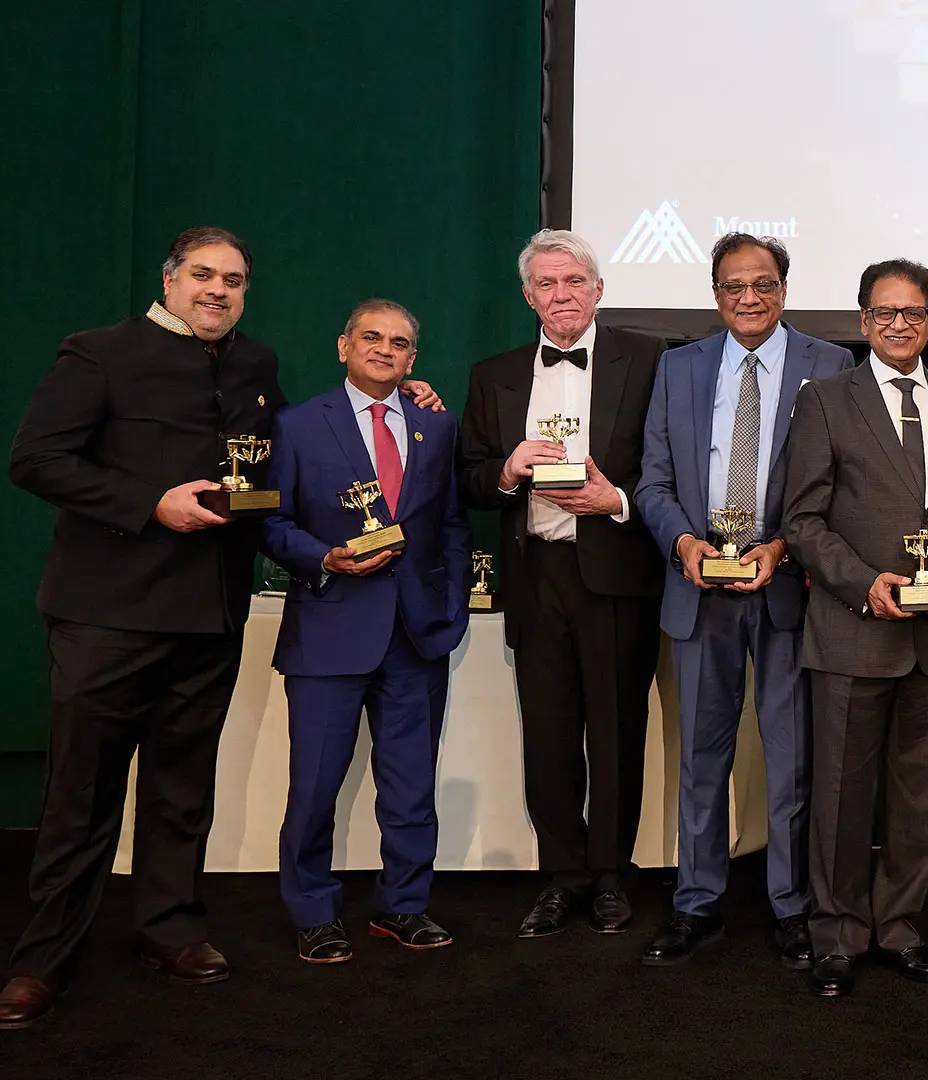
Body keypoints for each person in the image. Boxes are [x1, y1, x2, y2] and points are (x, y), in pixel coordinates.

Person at [0, 227, 439, 1028]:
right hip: (107, 614)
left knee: (180, 790)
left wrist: (404, 398)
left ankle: (169, 931)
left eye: (233, 280)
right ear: (170, 281)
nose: (218, 290)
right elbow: (34, 459)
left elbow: (295, 460)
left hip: (209, 613)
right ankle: (42, 958)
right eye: (203, 275)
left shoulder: (255, 365)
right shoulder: (96, 353)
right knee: (81, 796)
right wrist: (147, 504)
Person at [634, 233, 854, 970]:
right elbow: (653, 483)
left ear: (783, 289)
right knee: (701, 757)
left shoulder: (832, 364)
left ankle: (791, 905)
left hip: (790, 588)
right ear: (716, 292)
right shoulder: (678, 367)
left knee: (793, 760)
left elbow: (841, 484)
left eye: (762, 284)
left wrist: (785, 547)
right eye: (733, 286)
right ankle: (697, 901)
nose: (749, 298)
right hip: (700, 590)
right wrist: (684, 546)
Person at [783, 259, 928, 997]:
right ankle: (836, 937)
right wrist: (861, 584)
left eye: (913, 313)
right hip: (853, 629)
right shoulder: (824, 401)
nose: (898, 324)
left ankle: (901, 929)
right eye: (884, 312)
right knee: (841, 798)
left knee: (918, 800)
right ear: (863, 321)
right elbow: (802, 520)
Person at [457, 229, 667, 938]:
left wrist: (620, 500)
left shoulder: (649, 359)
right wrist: (506, 471)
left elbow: (672, 467)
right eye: (546, 285)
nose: (560, 295)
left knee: (615, 730)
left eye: (573, 281)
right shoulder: (495, 374)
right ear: (527, 296)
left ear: (598, 289)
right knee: (546, 733)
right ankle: (560, 875)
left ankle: (610, 874)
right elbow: (470, 476)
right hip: (535, 573)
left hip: (616, 571)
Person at [260, 300, 471, 963]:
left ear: (414, 358)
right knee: (315, 784)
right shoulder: (296, 426)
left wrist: (453, 605)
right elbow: (271, 523)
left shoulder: (436, 429)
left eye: (401, 342)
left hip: (416, 635)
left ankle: (403, 906)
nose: (386, 349)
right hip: (328, 629)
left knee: (410, 785)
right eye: (372, 338)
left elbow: (454, 526)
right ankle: (314, 913)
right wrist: (324, 557)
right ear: (343, 346)